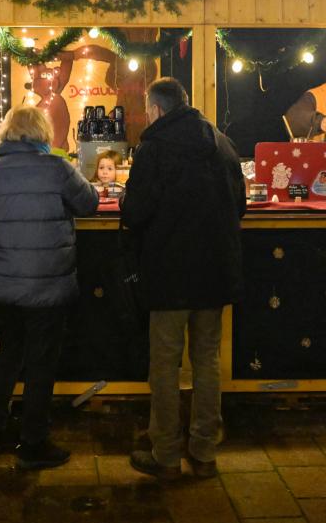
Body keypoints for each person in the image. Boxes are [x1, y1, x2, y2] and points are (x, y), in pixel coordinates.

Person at [120, 77, 246, 480]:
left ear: (155, 109)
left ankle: (167, 454)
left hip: (169, 272)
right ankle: (205, 451)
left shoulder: (154, 149)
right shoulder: (220, 142)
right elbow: (240, 205)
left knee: (166, 364)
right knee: (207, 361)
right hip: (215, 271)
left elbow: (135, 213)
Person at [0, 106, 99, 470]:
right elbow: (90, 204)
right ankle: (32, 442)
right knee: (41, 362)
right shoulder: (58, 168)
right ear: (43, 133)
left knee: (7, 355)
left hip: (0, 288)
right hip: (48, 286)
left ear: (5, 132)